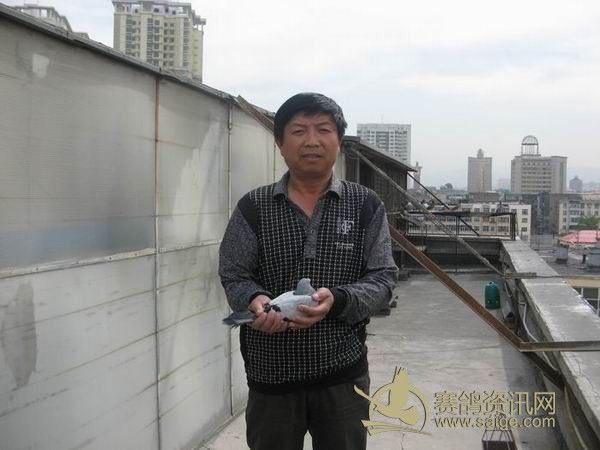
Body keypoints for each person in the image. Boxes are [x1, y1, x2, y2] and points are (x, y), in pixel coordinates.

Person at [219, 92, 398, 450]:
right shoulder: (253, 206)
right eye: (299, 131)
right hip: (271, 375)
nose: (312, 140)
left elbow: (383, 279)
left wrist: (338, 299)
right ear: (280, 144)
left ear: (339, 141)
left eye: (323, 130)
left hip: (342, 375)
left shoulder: (365, 204)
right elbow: (234, 273)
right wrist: (255, 300)